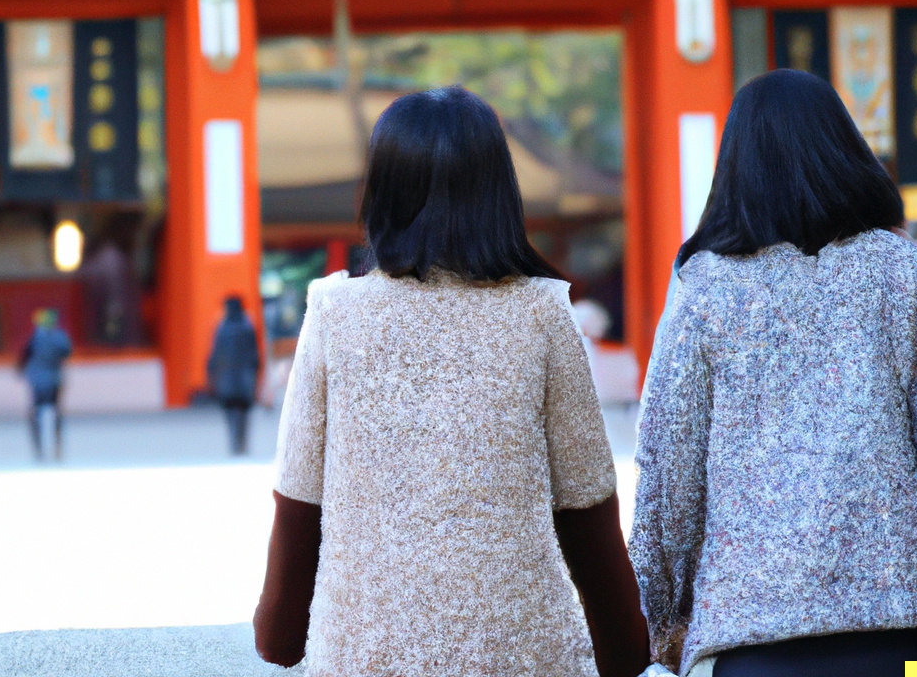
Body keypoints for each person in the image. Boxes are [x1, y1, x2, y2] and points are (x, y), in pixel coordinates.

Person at [254, 86, 650, 677]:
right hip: (521, 652)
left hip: (365, 653)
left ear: (382, 191)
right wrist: (625, 645)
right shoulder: (541, 312)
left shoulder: (334, 311)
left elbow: (299, 496)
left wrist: (280, 631)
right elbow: (586, 501)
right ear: (498, 192)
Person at [629, 69, 917, 677]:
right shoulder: (909, 274)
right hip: (912, 648)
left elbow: (669, 475)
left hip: (750, 649)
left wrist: (657, 619)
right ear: (846, 151)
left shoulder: (704, 289)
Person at [207, 296, 260, 455]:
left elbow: (215, 353)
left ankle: (234, 442)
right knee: (244, 412)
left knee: (230, 411)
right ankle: (242, 442)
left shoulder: (222, 327)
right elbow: (255, 353)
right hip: (245, 376)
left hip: (226, 376)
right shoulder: (247, 326)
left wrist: (211, 373)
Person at [19, 308, 72, 461]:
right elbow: (66, 352)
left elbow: (25, 355)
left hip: (39, 381)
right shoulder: (59, 336)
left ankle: (40, 449)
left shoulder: (36, 337)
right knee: (56, 412)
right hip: (54, 379)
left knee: (36, 414)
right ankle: (57, 447)